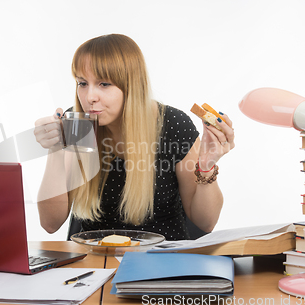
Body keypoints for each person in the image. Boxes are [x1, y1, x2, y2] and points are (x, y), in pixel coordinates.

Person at [34, 34, 235, 240]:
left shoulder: (173, 124)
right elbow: (50, 223)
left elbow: (206, 222)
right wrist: (55, 149)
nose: (89, 97)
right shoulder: (80, 124)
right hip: (94, 262)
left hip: (162, 261)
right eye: (82, 83)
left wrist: (206, 165)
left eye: (104, 84)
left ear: (131, 85)